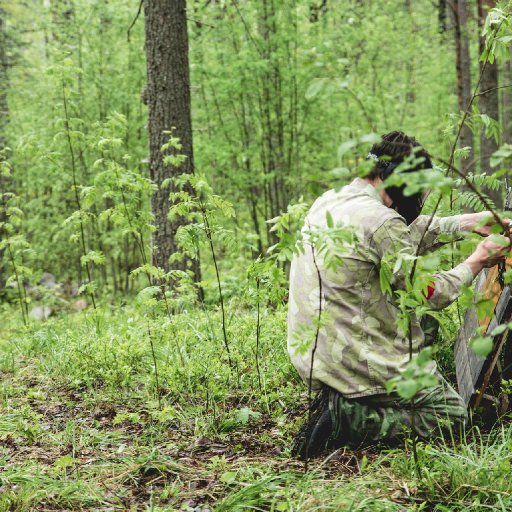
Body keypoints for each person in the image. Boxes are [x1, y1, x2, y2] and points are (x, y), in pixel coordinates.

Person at [288, 131, 510, 459]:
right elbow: (429, 293)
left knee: (423, 331)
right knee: (451, 417)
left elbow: (397, 235)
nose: (417, 198)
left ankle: (347, 399)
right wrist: (477, 259)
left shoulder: (332, 200)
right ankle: (348, 419)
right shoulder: (382, 220)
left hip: (315, 357)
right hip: (352, 360)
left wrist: (465, 222)